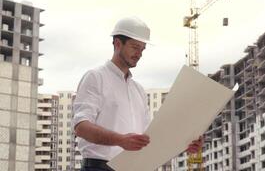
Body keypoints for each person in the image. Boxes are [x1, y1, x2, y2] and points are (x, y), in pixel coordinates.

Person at [72, 16, 201, 171]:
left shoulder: (138, 90)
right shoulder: (95, 77)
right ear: (118, 44)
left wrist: (184, 144)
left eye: (142, 49)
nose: (139, 54)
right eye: (135, 47)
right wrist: (120, 140)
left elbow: (148, 140)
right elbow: (81, 127)